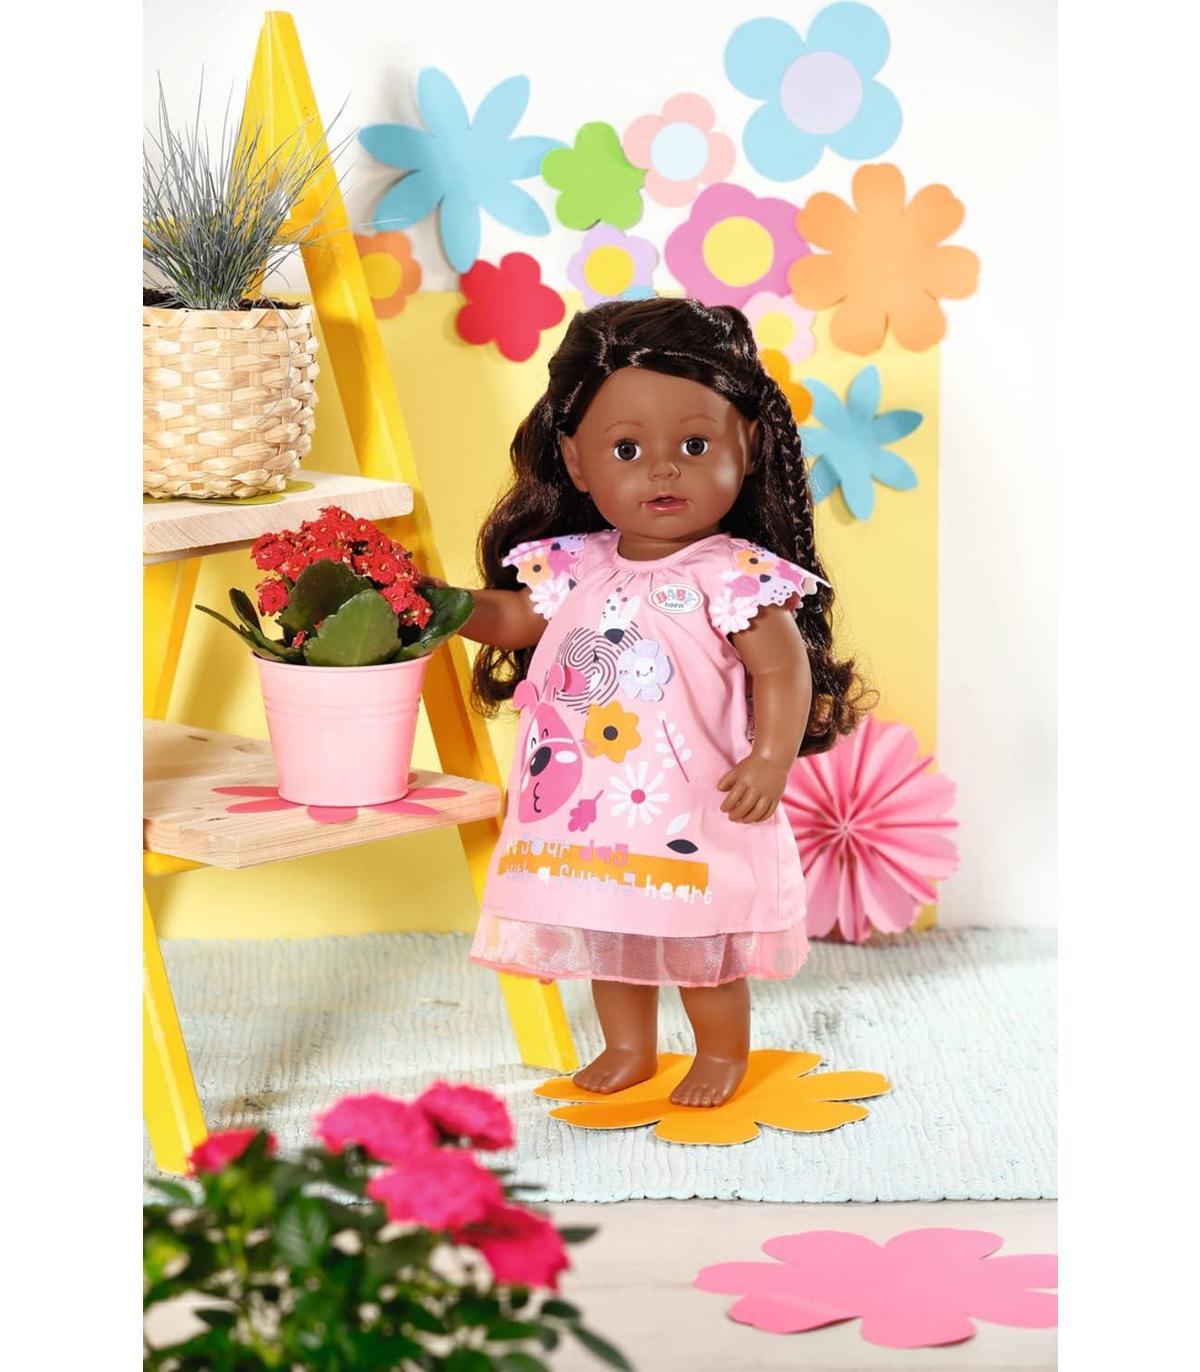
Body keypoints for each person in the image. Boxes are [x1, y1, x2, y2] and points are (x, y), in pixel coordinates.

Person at [440, 297, 869, 1108]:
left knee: (701, 938)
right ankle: (629, 1046)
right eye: (627, 449)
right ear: (576, 462)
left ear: (748, 446)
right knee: (611, 932)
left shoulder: (733, 575)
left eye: (695, 445)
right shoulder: (575, 564)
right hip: (592, 814)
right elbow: (515, 618)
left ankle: (721, 1054)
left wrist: (770, 758)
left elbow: (783, 671)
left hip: (692, 805)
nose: (663, 470)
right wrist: (449, 607)